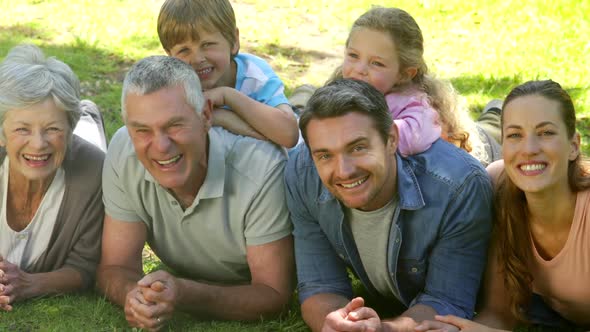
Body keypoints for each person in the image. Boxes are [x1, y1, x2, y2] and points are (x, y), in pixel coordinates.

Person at [97, 55, 294, 331]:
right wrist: (133, 295)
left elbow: (273, 295)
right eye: (142, 130)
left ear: (206, 115)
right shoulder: (123, 150)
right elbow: (114, 268)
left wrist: (183, 293)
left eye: (174, 125)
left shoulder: (261, 168)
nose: (161, 146)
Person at [285, 78, 494, 332]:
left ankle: (495, 112)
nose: (344, 171)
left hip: (491, 152)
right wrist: (336, 325)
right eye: (325, 155)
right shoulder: (302, 171)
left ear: (392, 139)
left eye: (358, 147)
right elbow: (320, 286)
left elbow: (446, 300)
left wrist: (384, 330)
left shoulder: (460, 185)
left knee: (491, 131)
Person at [418, 80, 590, 331]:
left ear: (574, 146)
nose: (529, 149)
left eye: (546, 133)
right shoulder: (498, 185)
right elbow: (498, 314)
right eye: (515, 135)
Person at [320, 7, 500, 165]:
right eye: (353, 55)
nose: (359, 69)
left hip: (485, 146)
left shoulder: (412, 104)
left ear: (405, 74)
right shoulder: (343, 88)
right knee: (305, 96)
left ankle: (496, 110)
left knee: (491, 126)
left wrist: (361, 134)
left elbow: (414, 135)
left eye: (377, 63)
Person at [0, 44, 105, 311]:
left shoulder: (97, 174)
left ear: (69, 130)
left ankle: (85, 117)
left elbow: (85, 265)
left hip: (81, 152)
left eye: (53, 128)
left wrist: (29, 284)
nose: (38, 144)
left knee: (90, 143)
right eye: (22, 129)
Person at [157, 0, 299, 148]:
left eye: (207, 44)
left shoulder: (255, 75)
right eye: (184, 50)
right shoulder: (174, 83)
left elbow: (289, 135)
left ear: (234, 40)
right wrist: (222, 118)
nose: (198, 59)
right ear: (170, 55)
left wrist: (227, 96)